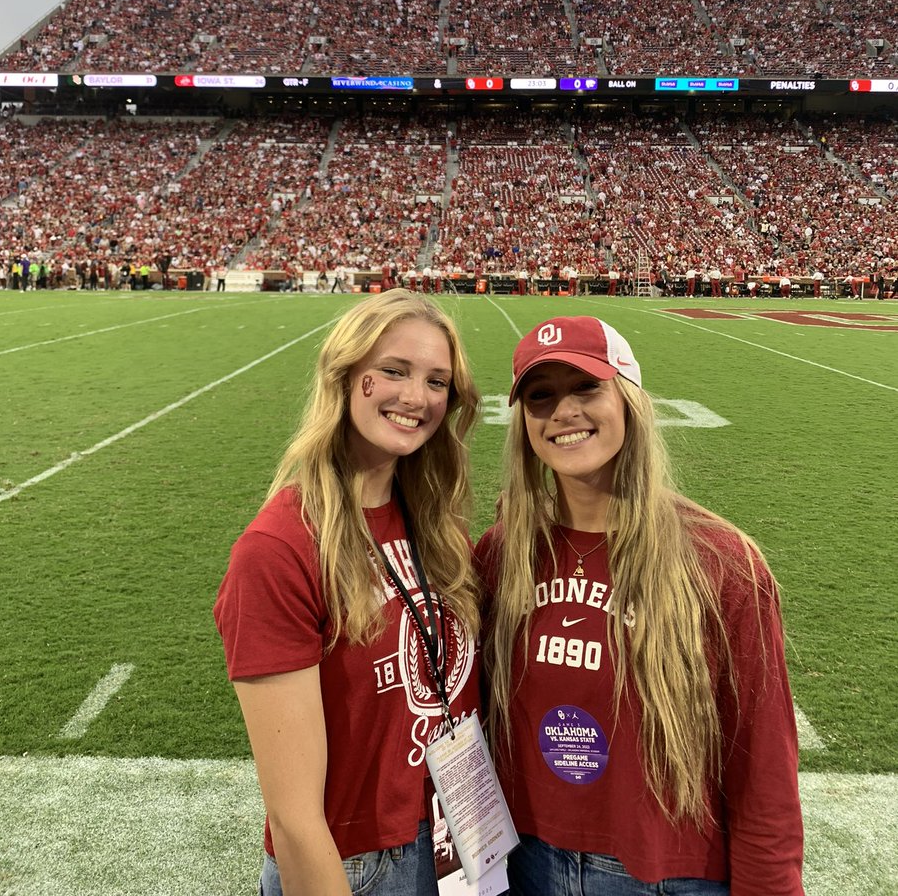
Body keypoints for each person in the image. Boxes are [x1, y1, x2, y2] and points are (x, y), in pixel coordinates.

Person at [477, 315, 804, 895]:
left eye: (586, 388)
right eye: (540, 397)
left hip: (664, 875)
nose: (563, 412)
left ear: (629, 399)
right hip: (524, 863)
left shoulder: (722, 562)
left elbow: (762, 769)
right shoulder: (503, 554)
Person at [215, 290, 483, 896]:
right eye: (393, 371)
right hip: (357, 865)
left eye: (437, 380)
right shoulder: (279, 550)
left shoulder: (436, 526)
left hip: (451, 838)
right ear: (345, 376)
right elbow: (294, 819)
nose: (416, 397)